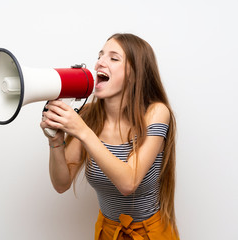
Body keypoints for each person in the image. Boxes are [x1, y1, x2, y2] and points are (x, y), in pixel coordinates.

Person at [40, 33, 180, 240]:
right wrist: (55, 141)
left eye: (114, 58)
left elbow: (128, 182)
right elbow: (61, 184)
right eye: (100, 55)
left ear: (135, 74)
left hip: (151, 234)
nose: (99, 63)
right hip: (108, 233)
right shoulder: (88, 116)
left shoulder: (156, 113)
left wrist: (82, 131)